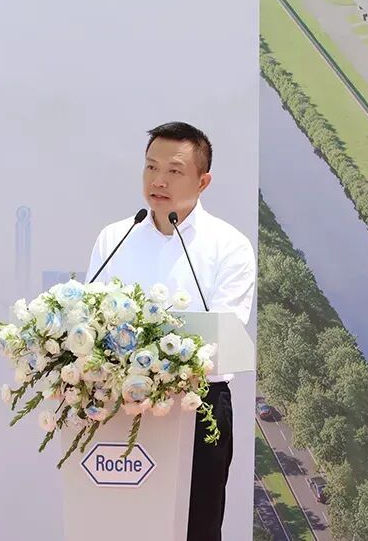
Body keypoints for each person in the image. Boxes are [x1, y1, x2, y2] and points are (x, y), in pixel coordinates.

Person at [86, 121, 256, 541]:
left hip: (197, 406)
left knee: (195, 527)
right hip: (118, 404)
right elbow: (89, 321)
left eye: (174, 171)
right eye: (151, 167)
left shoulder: (229, 246)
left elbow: (223, 336)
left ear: (203, 181)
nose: (158, 181)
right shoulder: (115, 237)